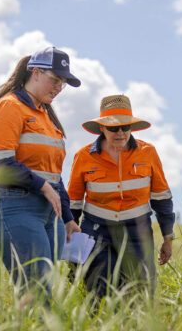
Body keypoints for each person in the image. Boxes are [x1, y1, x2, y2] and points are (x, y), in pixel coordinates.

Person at [0, 46, 83, 297]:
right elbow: (1, 164)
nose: (58, 87)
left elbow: (54, 176)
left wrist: (68, 218)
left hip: (50, 213)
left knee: (43, 290)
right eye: (55, 79)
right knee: (37, 291)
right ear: (35, 72)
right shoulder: (9, 106)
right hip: (14, 206)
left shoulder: (46, 116)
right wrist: (42, 186)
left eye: (63, 83)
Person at [67, 94, 175, 299]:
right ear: (102, 128)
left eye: (125, 127)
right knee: (98, 293)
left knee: (140, 294)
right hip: (97, 232)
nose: (121, 133)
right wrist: (72, 247)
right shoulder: (83, 156)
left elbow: (162, 199)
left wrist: (167, 238)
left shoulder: (148, 153)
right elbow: (73, 205)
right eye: (114, 128)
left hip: (138, 232)